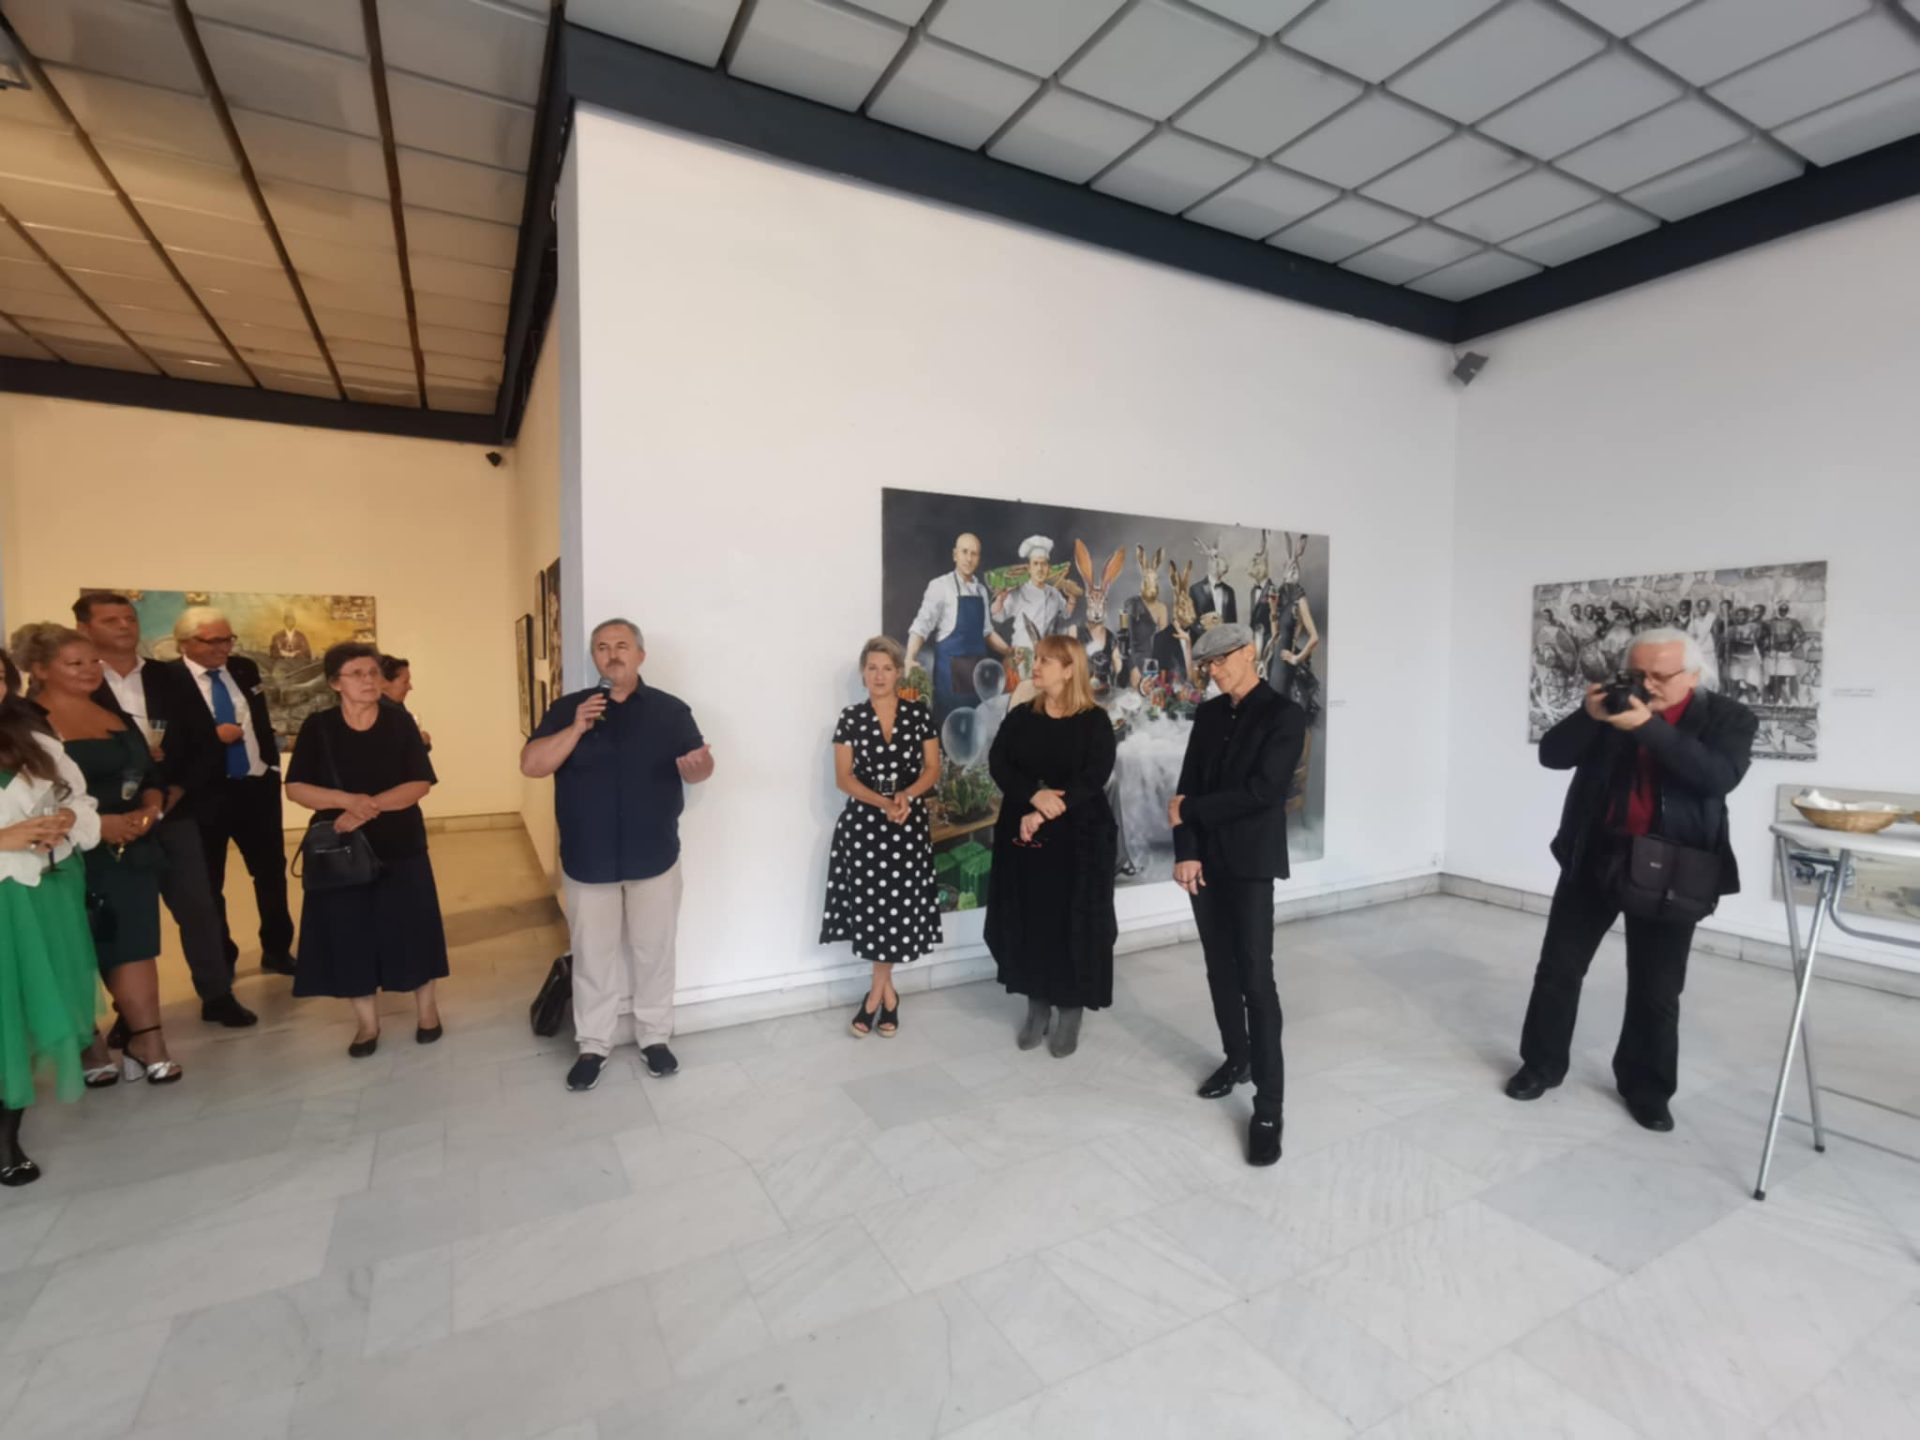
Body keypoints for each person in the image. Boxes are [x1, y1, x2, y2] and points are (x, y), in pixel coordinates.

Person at [1505, 629, 1756, 1132]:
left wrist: (1646, 727)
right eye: (1637, 673)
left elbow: (1715, 777)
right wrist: (1589, 715)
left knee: (1656, 987)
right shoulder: (1614, 705)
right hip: (1596, 854)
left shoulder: (1729, 717)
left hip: (1675, 867)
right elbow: (1553, 755)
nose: (1648, 684)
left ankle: (1647, 1089)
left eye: (1660, 675)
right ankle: (1541, 1066)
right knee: (1558, 970)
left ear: (1693, 675)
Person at [522, 619, 714, 1092]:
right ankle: (593, 1044)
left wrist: (699, 766)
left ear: (640, 655)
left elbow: (700, 767)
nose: (612, 655)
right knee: (593, 956)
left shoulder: (670, 711)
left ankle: (655, 1038)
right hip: (589, 860)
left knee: (654, 953)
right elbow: (532, 765)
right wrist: (575, 728)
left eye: (622, 646)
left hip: (654, 857)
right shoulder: (569, 709)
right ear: (595, 658)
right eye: (603, 647)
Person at [73, 594, 257, 1027]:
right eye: (111, 620)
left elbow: (203, 743)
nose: (124, 626)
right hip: (109, 822)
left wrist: (171, 794)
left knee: (198, 907)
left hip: (174, 811)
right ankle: (130, 1014)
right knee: (122, 919)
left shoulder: (169, 677)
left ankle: (217, 994)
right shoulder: (80, 683)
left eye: (129, 618)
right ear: (84, 629)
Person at [13, 622, 182, 1085]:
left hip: (131, 849)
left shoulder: (113, 714)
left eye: (93, 661)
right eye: (75, 663)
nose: (89, 670)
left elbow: (149, 776)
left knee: (135, 945)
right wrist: (97, 825)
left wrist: (149, 811)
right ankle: (88, 1043)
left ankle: (148, 1041)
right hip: (67, 854)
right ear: (39, 669)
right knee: (74, 947)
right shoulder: (25, 725)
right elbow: (28, 798)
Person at [1170, 623, 1306, 1168]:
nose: (1213, 671)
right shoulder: (1207, 715)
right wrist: (1186, 850)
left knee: (1255, 979)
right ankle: (1237, 1058)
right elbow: (1185, 788)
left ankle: (1268, 1109)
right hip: (1204, 862)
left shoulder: (1284, 715)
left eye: (1221, 661)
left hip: (1250, 865)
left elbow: (1263, 792)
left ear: (1249, 653)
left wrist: (1191, 812)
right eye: (1206, 665)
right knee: (1219, 971)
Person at [285, 644, 446, 1056]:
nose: (368, 680)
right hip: (340, 851)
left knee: (411, 929)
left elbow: (420, 783)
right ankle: (367, 1025)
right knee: (348, 933)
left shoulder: (399, 722)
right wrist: (346, 801)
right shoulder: (319, 727)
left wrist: (366, 808)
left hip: (400, 844)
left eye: (373, 672)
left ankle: (427, 1012)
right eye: (356, 673)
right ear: (335, 683)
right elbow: (296, 787)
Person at [983, 634, 1117, 1059]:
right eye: (1037, 658)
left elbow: (1094, 777)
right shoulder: (1022, 716)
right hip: (1025, 839)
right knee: (1031, 919)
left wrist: (1042, 809)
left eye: (1045, 660)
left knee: (1072, 922)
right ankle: (1037, 1005)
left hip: (1080, 839)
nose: (1035, 666)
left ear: (1069, 669)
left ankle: (1071, 1009)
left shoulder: (1095, 721)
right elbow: (999, 763)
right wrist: (1032, 794)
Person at [0, 644, 102, 1184]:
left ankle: (6, 1137)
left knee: (20, 1014)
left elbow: (80, 800)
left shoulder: (33, 738)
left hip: (39, 897)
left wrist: (64, 819)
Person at [165, 607, 298, 977]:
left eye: (228, 639)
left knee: (271, 873)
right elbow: (169, 737)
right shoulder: (169, 679)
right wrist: (211, 737)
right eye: (214, 641)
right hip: (205, 792)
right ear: (185, 643)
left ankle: (277, 948)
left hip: (256, 785)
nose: (223, 648)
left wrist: (271, 766)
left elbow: (259, 720)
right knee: (210, 881)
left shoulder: (243, 668)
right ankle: (221, 956)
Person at [821, 636, 942, 1036]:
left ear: (898, 673)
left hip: (907, 824)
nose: (879, 675)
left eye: (887, 668)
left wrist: (906, 796)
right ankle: (886, 996)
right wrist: (882, 802)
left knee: (896, 911)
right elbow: (843, 778)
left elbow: (932, 768)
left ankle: (874, 997)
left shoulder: (918, 714)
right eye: (872, 667)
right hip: (864, 827)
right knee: (873, 912)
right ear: (862, 673)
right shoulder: (851, 718)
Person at [905, 532, 1009, 719]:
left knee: (978, 727)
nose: (969, 558)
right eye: (964, 552)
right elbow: (921, 626)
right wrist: (909, 658)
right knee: (949, 727)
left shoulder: (981, 590)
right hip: (950, 682)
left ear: (979, 558)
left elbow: (987, 632)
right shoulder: (940, 586)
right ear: (955, 554)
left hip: (979, 681)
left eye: (974, 553)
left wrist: (1011, 651)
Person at [992, 536, 1075, 652]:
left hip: (1046, 654)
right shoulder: (1019, 591)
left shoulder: (1054, 593)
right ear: (1029, 568)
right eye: (1035, 564)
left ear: (1048, 568)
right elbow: (998, 616)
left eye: (1043, 564)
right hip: (1023, 653)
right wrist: (1000, 599)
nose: (1040, 569)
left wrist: (1072, 598)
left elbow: (1066, 613)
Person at [378, 654, 431, 750]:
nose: (410, 687)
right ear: (383, 683)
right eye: (405, 682)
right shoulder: (380, 714)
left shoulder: (396, 707)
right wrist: (419, 741)